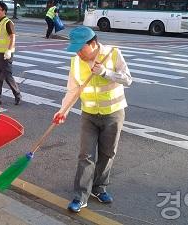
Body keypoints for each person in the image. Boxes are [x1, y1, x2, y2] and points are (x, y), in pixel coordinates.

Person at [52, 26, 132, 213]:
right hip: (89, 114)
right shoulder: (76, 62)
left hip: (113, 113)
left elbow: (128, 79)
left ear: (93, 43)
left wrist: (106, 73)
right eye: (76, 49)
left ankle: (99, 188)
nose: (79, 53)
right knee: (85, 155)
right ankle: (80, 197)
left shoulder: (112, 54)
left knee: (107, 153)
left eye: (81, 48)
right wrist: (63, 110)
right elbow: (73, 90)